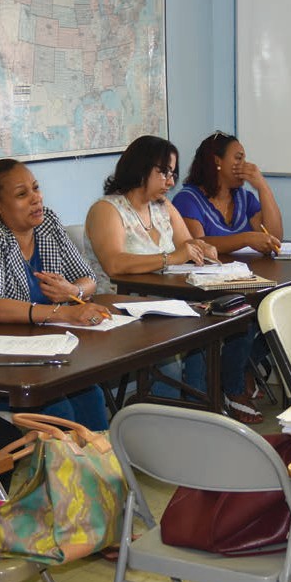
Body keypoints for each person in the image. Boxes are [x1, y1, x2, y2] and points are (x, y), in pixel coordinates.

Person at [0, 157, 111, 429]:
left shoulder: (47, 223)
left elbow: (89, 279)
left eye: (36, 188)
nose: (36, 199)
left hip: (52, 349)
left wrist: (73, 290)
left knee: (90, 395)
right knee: (60, 409)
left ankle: (98, 470)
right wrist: (65, 311)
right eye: (23, 194)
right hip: (4, 358)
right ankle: (57, 471)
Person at [85, 135, 216, 401]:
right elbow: (114, 264)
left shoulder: (162, 206)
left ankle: (198, 408)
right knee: (168, 343)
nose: (170, 182)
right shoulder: (107, 209)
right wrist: (171, 258)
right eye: (163, 173)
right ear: (140, 169)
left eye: (173, 174)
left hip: (163, 300)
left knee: (211, 326)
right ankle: (165, 419)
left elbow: (186, 244)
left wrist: (202, 248)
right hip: (118, 304)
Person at [172, 131, 282, 422]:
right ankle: (234, 389)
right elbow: (199, 243)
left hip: (244, 281)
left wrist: (263, 187)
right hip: (204, 288)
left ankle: (239, 369)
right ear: (217, 161)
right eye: (238, 157)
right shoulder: (188, 198)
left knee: (278, 310)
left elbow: (275, 236)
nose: (244, 164)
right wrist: (246, 238)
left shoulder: (244, 197)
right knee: (242, 316)